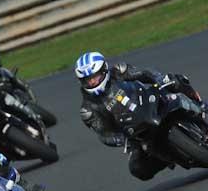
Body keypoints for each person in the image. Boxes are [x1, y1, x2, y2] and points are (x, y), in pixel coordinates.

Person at [76, 51, 203, 180]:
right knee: (137, 168)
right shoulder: (88, 109)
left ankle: (201, 106)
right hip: (134, 132)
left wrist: (160, 79)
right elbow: (104, 134)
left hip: (151, 101)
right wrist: (121, 138)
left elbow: (145, 73)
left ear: (104, 70)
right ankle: (168, 158)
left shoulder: (119, 71)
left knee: (176, 80)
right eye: (88, 79)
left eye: (95, 76)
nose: (92, 81)